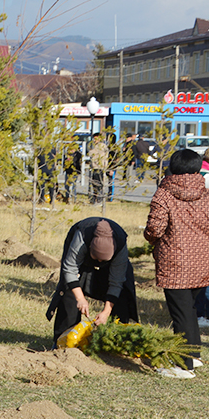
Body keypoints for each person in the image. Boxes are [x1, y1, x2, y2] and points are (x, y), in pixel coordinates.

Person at [144, 148, 209, 378]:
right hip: (202, 263)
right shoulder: (205, 193)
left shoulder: (164, 194)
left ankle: (183, 367)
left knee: (181, 314)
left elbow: (155, 229)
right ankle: (193, 356)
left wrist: (150, 239)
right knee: (188, 311)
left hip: (174, 264)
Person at [48, 217, 139, 343]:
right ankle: (64, 340)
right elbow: (70, 269)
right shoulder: (81, 238)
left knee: (123, 292)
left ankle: (116, 341)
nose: (99, 262)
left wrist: (106, 312)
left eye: (103, 260)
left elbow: (116, 281)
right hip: (80, 260)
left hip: (113, 265)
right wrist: (80, 299)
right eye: (97, 258)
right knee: (69, 292)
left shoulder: (120, 245)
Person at [89, 133, 109, 204]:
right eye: (94, 138)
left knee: (99, 184)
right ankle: (95, 198)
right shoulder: (94, 146)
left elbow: (103, 156)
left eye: (96, 138)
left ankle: (99, 199)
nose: (94, 140)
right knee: (94, 183)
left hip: (99, 167)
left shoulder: (102, 146)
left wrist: (105, 166)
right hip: (94, 167)